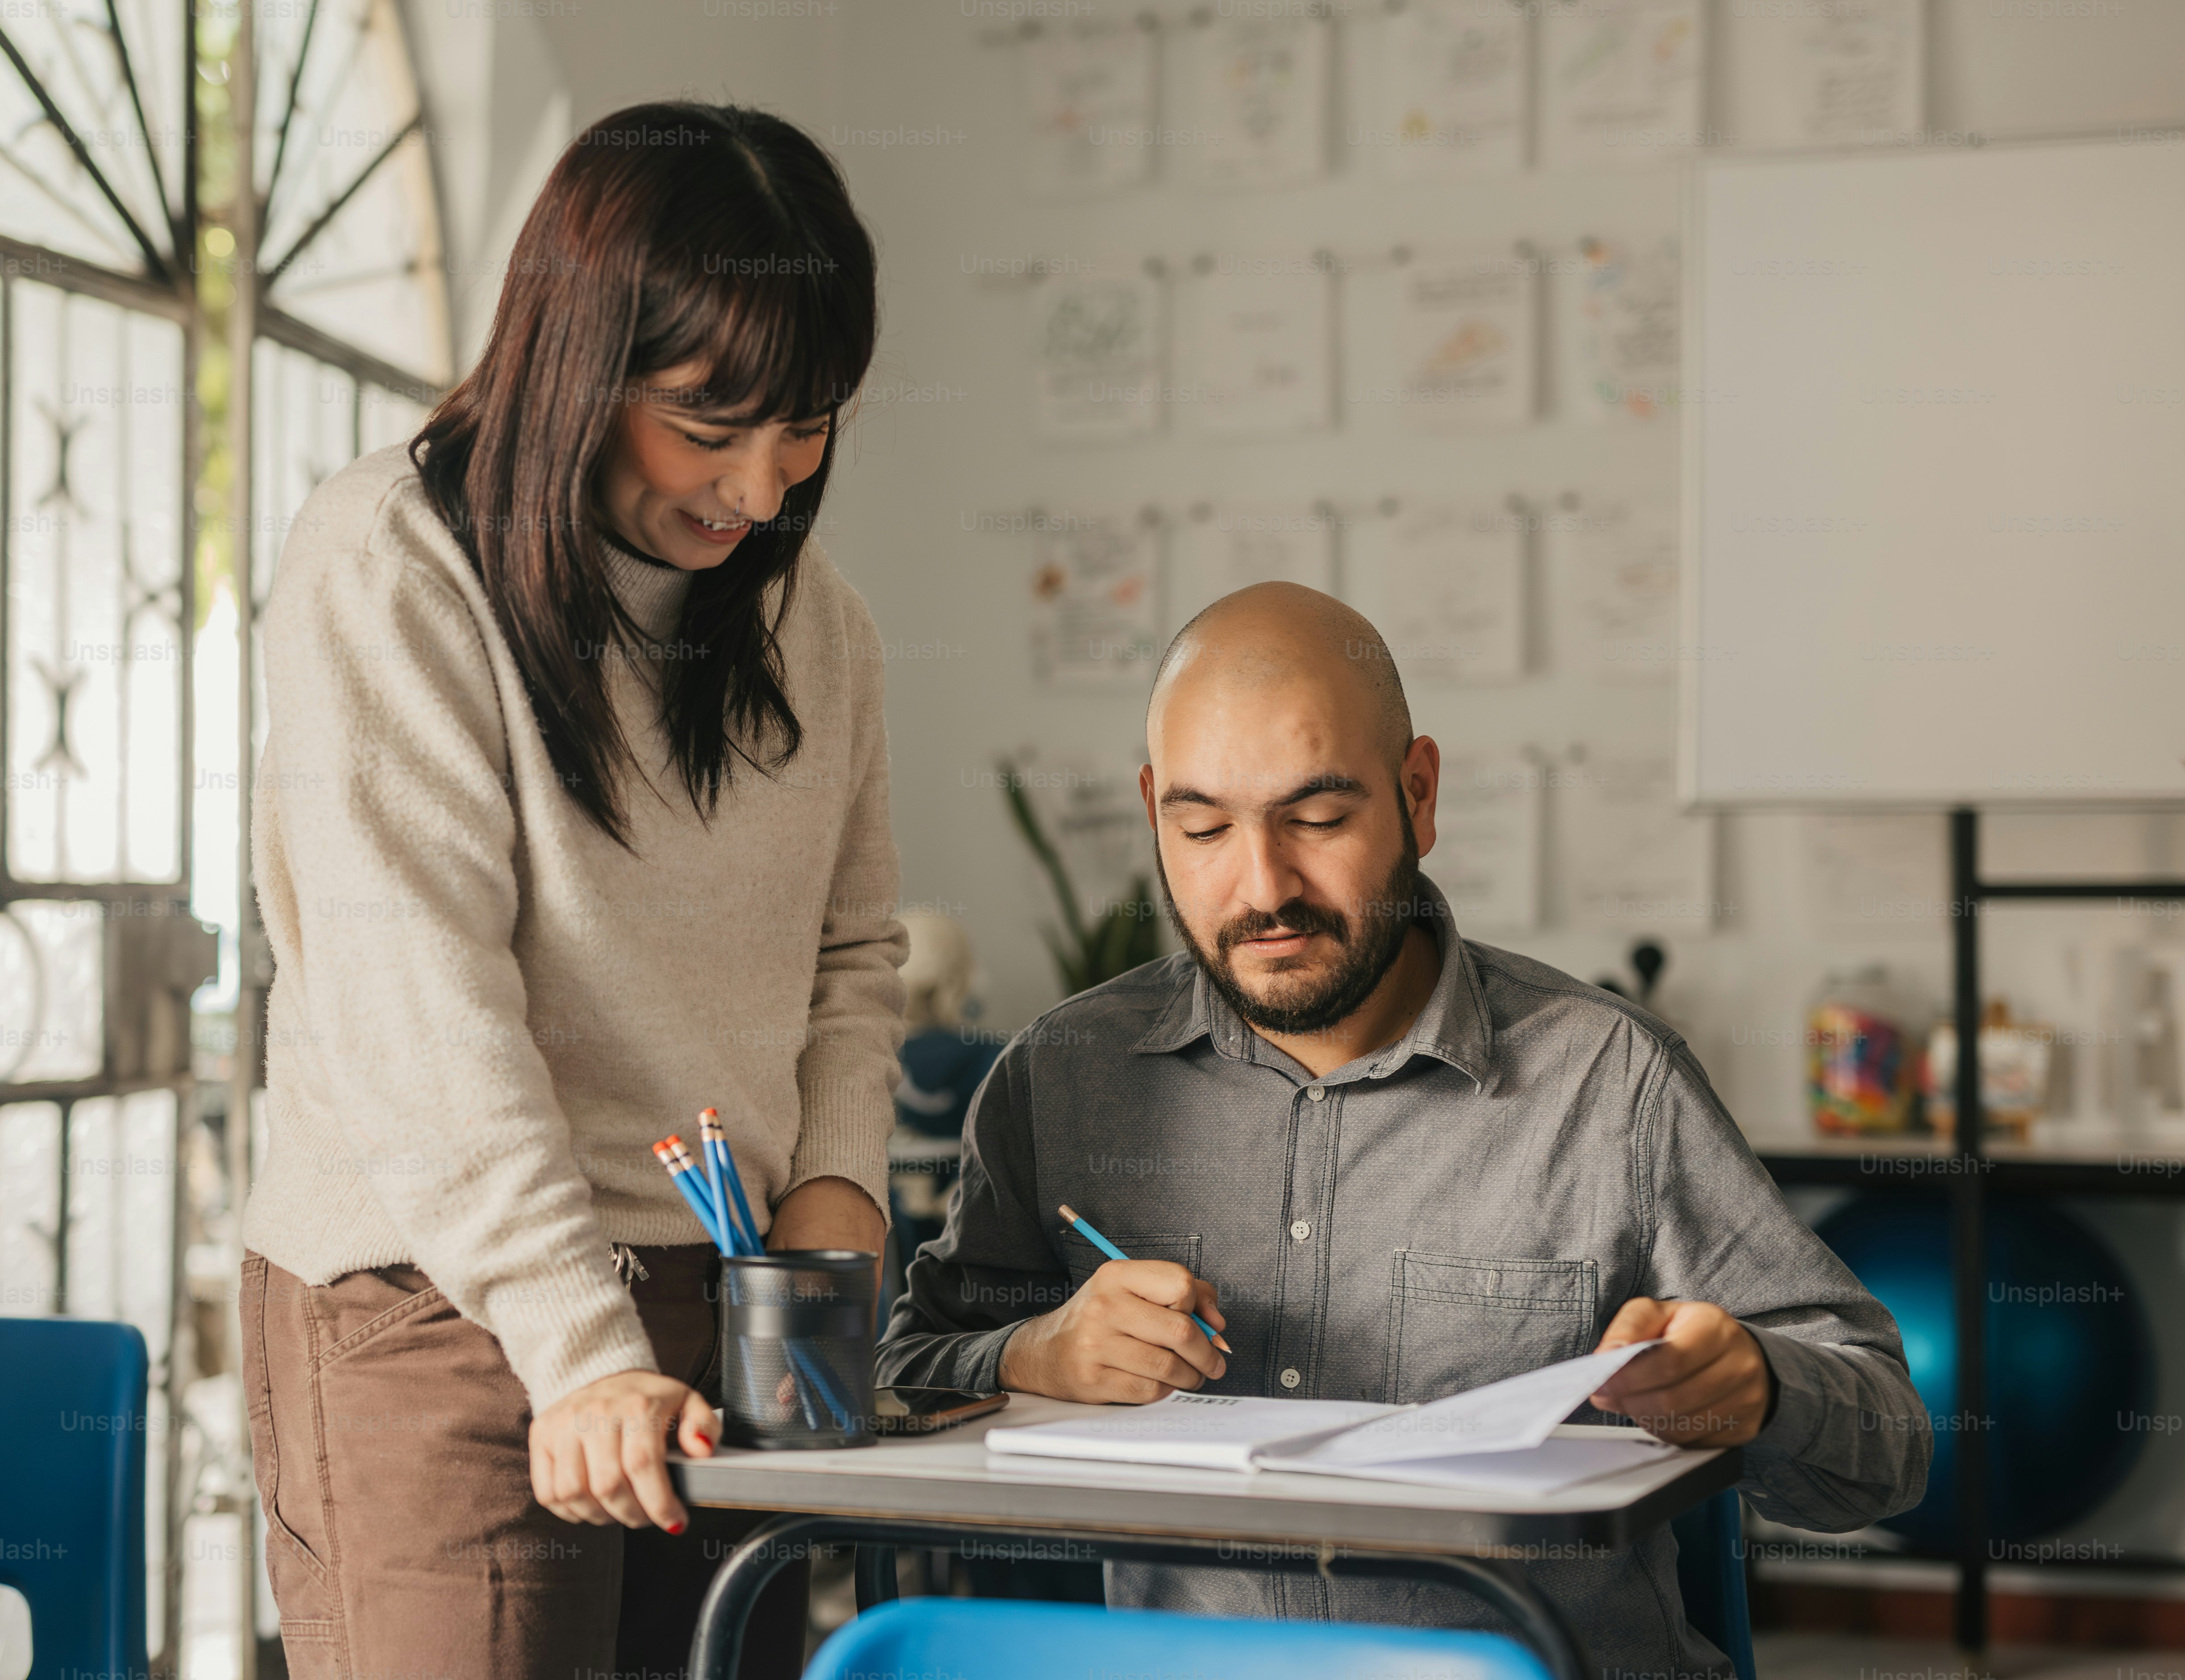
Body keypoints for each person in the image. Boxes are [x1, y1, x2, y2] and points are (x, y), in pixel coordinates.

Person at [879, 582, 1928, 1676]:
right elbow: (901, 1382)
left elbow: (1885, 1452)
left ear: (1418, 796)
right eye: (1202, 829)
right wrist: (1035, 1355)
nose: (1264, 885)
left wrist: (1757, 1385)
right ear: (1154, 813)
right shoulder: (1062, 1080)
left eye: (1320, 819)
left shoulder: (1610, 1083)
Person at [241, 101, 902, 1679]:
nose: (758, 486)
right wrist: (583, 1355)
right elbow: (425, 1010)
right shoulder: (389, 565)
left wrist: (835, 1201)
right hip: (441, 1304)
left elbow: (857, 951)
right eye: (707, 422)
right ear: (579, 361)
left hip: (729, 1297)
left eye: (806, 424)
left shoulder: (820, 626)